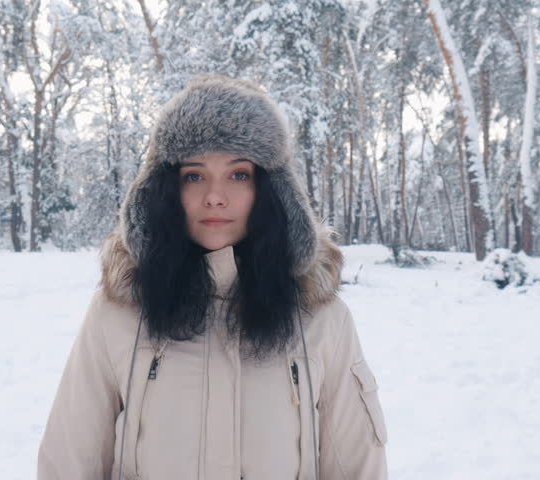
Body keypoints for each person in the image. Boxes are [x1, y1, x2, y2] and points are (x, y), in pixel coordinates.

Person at [37, 75, 388, 480]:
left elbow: (357, 466)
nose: (215, 196)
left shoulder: (322, 318)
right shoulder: (118, 313)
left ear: (269, 191)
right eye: (194, 175)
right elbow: (69, 459)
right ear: (166, 190)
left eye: (238, 174)